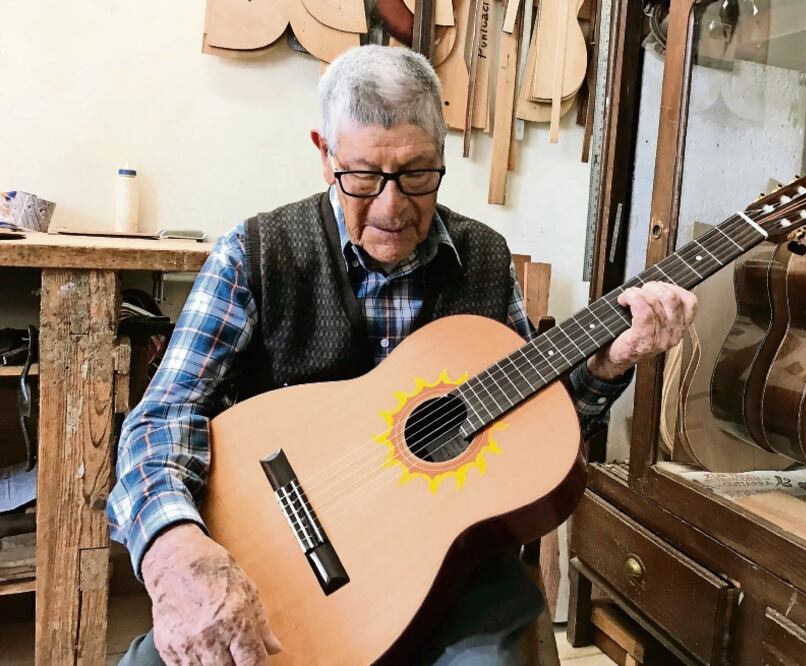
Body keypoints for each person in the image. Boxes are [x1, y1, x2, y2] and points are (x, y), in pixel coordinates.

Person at [109, 45, 697, 666]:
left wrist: (605, 368)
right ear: (323, 153)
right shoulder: (255, 253)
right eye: (363, 177)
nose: (392, 207)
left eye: (417, 174)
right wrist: (175, 549)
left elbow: (542, 423)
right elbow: (162, 416)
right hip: (279, 562)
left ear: (443, 154)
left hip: (450, 566)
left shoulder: (486, 261)